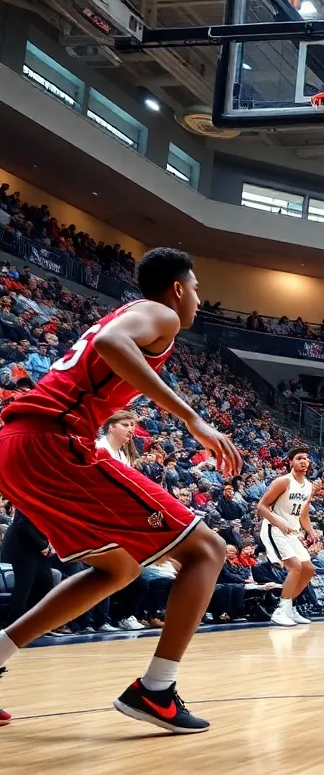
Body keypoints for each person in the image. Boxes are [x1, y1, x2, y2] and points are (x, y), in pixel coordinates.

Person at [0, 248, 241, 733]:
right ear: (177, 288)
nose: (197, 298)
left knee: (119, 569)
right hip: (52, 440)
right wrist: (192, 417)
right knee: (209, 550)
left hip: (18, 444)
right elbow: (111, 342)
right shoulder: (160, 313)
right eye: (196, 288)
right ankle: (156, 689)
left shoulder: (134, 315)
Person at [256, 446, 318, 627]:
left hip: (292, 531)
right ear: (290, 461)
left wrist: (311, 531)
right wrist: (279, 522)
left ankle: (289, 607)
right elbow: (261, 506)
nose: (304, 461)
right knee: (295, 567)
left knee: (309, 570)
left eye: (306, 458)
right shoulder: (283, 481)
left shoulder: (309, 486)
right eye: (299, 458)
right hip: (274, 529)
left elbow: (304, 515)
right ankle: (281, 610)